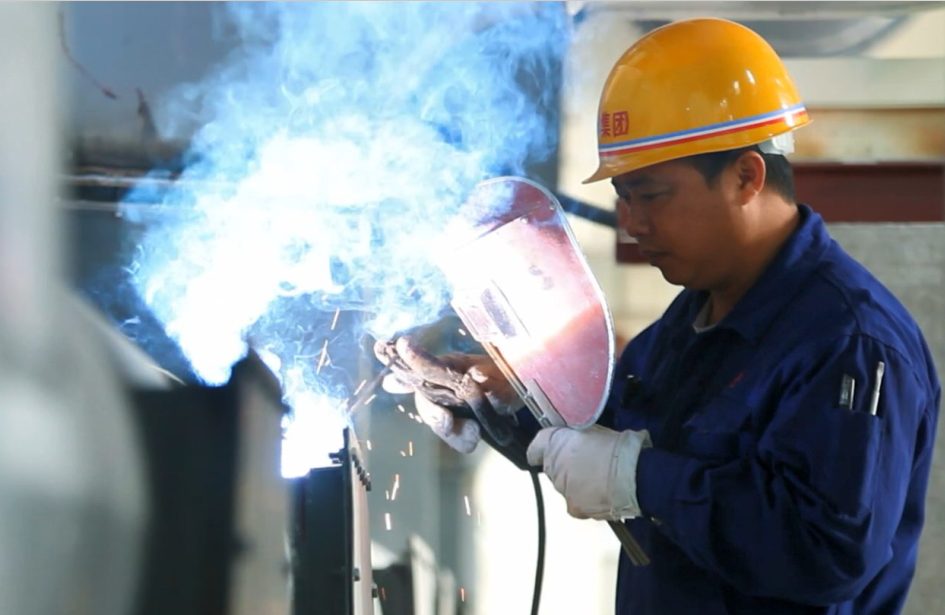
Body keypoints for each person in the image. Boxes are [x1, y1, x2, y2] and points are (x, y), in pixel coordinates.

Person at [382, 18, 941, 615]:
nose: (631, 222)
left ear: (746, 176)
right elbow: (602, 439)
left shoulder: (847, 340)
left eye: (651, 195)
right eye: (623, 197)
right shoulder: (686, 326)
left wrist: (638, 479)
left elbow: (826, 553)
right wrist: (505, 400)